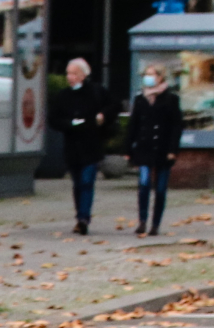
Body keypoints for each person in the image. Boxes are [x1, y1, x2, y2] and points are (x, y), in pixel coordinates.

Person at [54, 58, 118, 237]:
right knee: (77, 183)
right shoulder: (63, 96)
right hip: (73, 146)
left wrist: (102, 116)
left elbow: (114, 105)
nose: (70, 77)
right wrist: (69, 124)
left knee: (87, 181)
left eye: (74, 73)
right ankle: (79, 215)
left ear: (83, 75)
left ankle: (84, 218)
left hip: (92, 144)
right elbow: (54, 119)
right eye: (68, 73)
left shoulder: (96, 92)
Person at [125, 66, 183, 238]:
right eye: (146, 75)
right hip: (144, 148)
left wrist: (173, 149)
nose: (148, 78)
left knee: (160, 189)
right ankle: (142, 220)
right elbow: (133, 124)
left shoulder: (171, 99)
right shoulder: (140, 99)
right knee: (143, 183)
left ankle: (155, 223)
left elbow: (176, 126)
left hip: (163, 149)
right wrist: (128, 148)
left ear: (160, 77)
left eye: (151, 75)